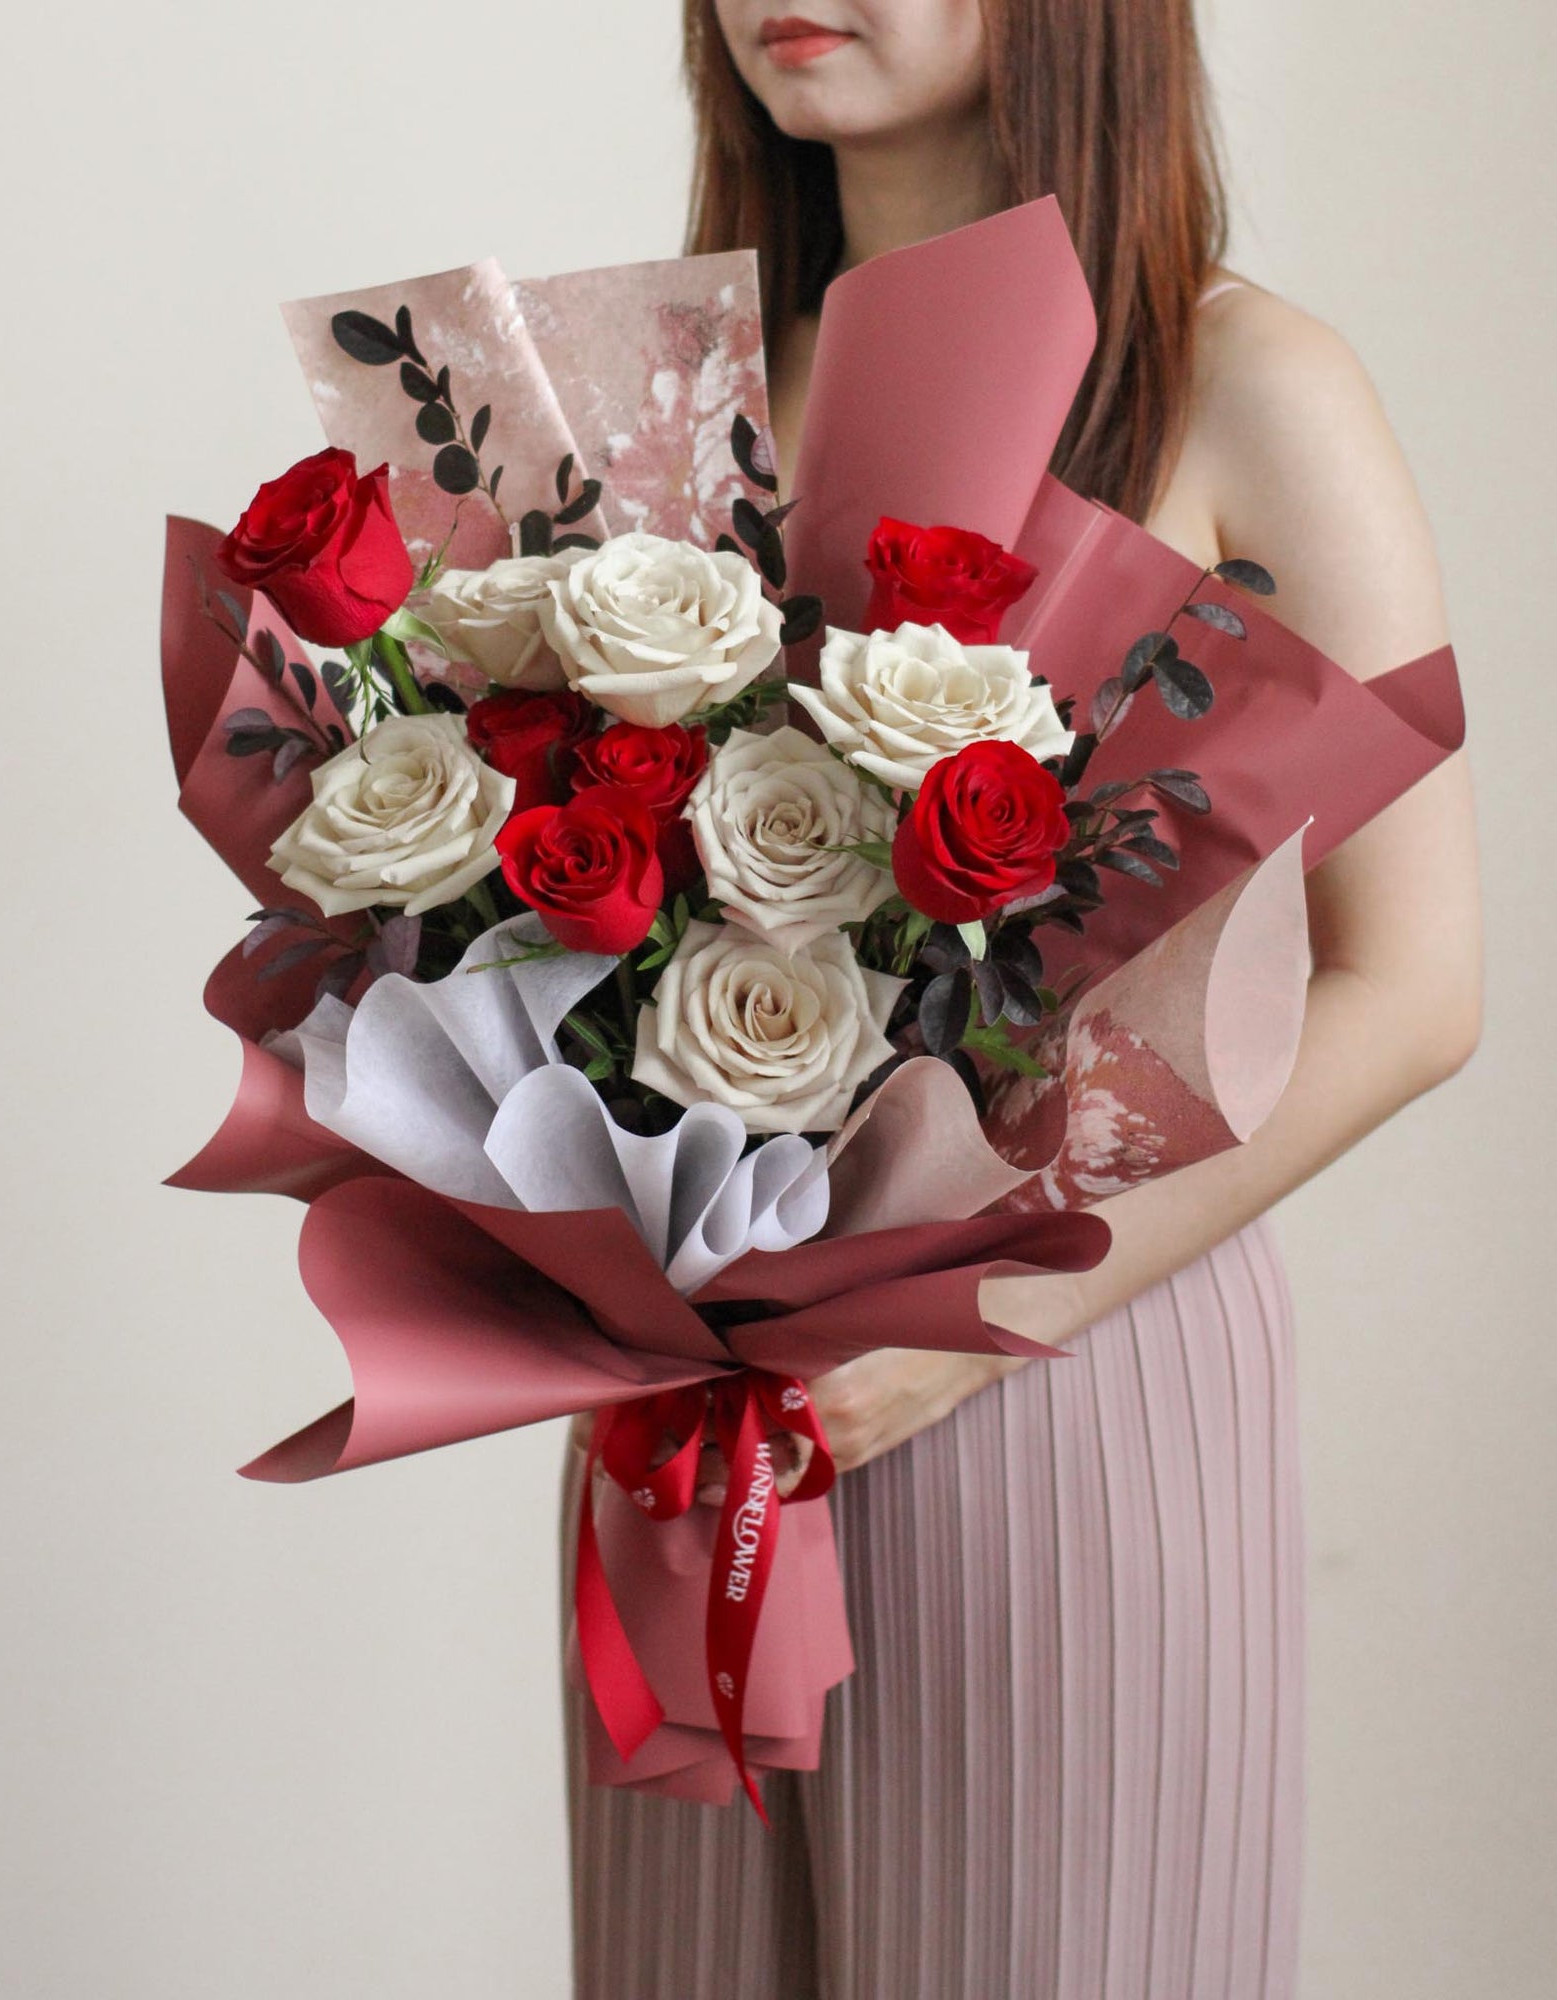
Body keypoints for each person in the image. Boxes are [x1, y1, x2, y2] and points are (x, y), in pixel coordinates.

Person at [562, 4, 1483, 1995]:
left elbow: (1416, 986)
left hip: (1068, 1368)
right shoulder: (672, 397)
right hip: (696, 1409)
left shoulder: (1246, 382)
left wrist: (980, 1329)